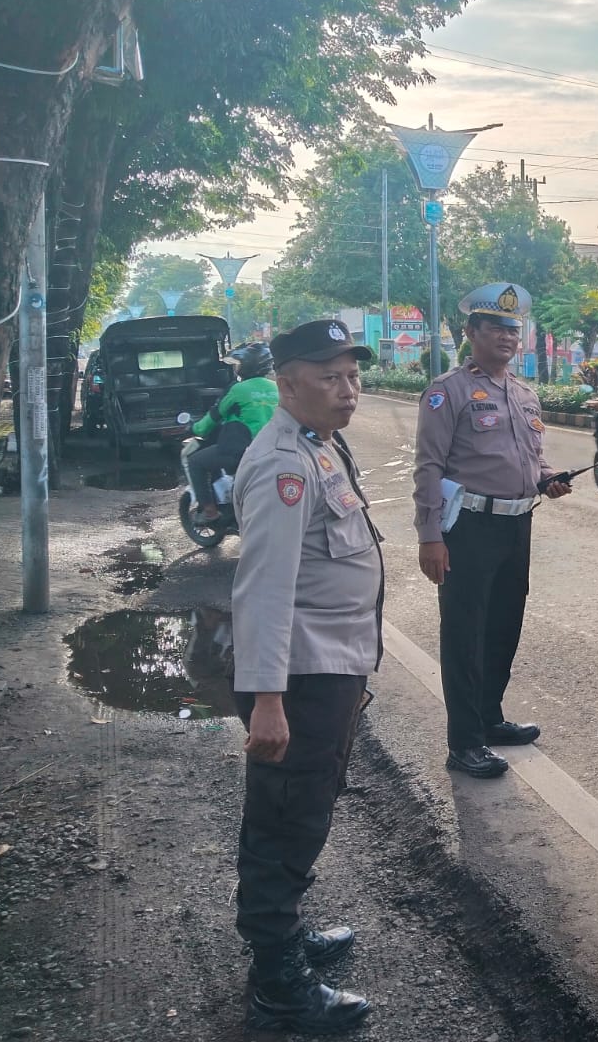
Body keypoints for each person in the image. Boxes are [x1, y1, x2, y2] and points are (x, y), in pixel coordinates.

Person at [230, 319, 381, 1034]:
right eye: (330, 376)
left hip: (330, 668)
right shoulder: (284, 465)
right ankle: (278, 986)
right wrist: (268, 702)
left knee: (306, 811)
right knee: (284, 821)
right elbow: (263, 588)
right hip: (298, 677)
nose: (347, 389)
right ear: (287, 382)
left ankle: (285, 936)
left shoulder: (320, 445)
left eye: (353, 374)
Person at [412, 283, 572, 780]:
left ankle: (490, 717)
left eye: (512, 328)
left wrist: (547, 478)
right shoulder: (447, 392)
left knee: (504, 626)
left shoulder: (525, 394)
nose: (506, 337)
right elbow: (428, 467)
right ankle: (463, 742)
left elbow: (533, 457)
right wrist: (429, 535)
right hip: (469, 530)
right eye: (496, 327)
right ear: (472, 332)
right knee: (464, 634)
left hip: (516, 524)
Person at [188, 343, 279, 524]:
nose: (236, 368)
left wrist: (194, 428)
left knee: (196, 462)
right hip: (277, 451)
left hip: (246, 452)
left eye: (238, 364)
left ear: (247, 366)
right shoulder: (277, 388)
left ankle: (210, 512)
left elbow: (214, 416)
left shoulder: (237, 389)